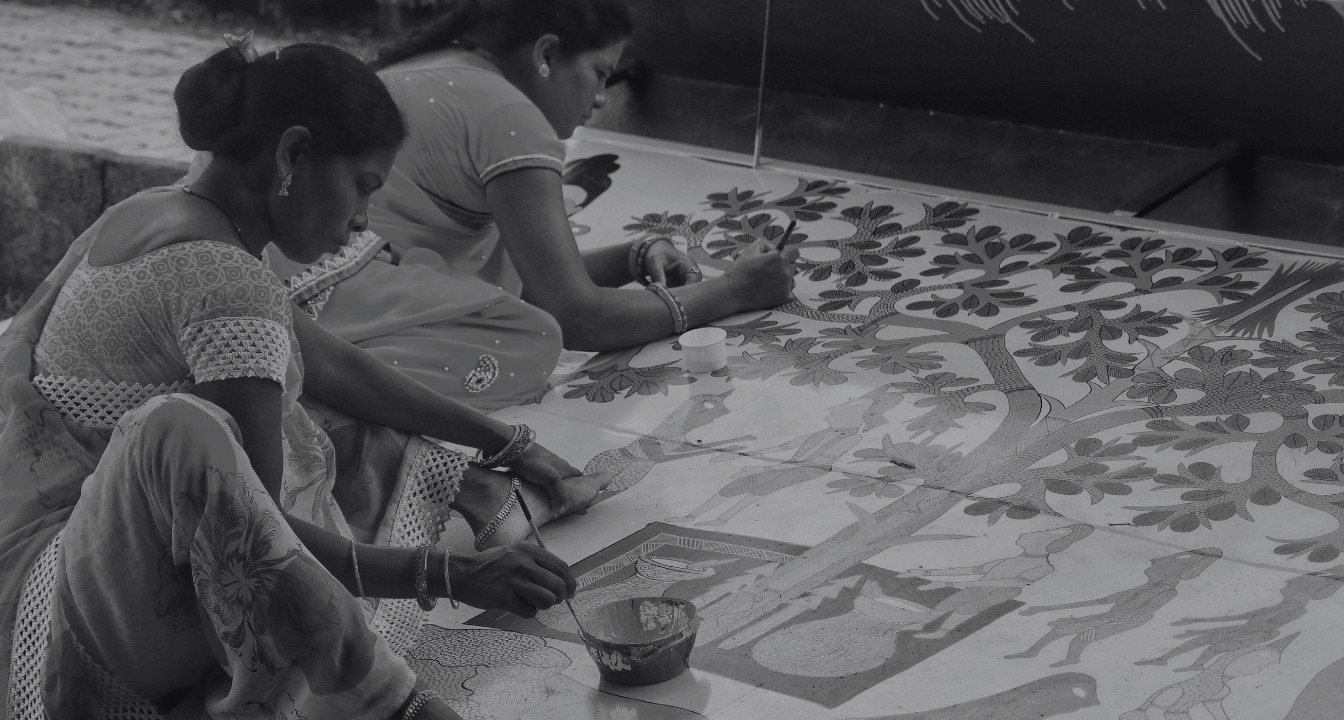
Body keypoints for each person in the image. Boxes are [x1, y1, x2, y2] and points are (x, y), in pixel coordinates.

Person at [0, 36, 602, 720]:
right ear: (292, 155)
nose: (362, 222)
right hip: (87, 603)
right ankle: (386, 703)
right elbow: (262, 540)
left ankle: (474, 486)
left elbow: (332, 364)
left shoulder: (153, 211)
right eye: (362, 187)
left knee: (299, 402)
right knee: (198, 431)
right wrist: (450, 575)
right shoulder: (228, 281)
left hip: (44, 548)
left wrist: (505, 440)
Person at [263, 0, 800, 411]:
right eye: (599, 73)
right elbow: (576, 317)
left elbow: (525, 278)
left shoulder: (442, 65)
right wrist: (733, 290)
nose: (600, 98)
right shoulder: (510, 116)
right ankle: (334, 386)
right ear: (545, 55)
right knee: (528, 339)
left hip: (292, 273)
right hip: (337, 293)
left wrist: (633, 256)